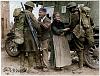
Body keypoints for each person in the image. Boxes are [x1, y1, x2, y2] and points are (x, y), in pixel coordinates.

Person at [13, 1, 41, 73]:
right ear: (30, 8)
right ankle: (30, 68)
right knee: (30, 51)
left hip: (20, 34)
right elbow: (36, 25)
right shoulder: (29, 13)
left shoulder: (21, 13)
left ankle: (21, 67)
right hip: (29, 34)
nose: (32, 9)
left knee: (22, 51)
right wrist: (39, 31)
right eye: (32, 8)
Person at [67, 2, 94, 69]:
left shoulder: (75, 15)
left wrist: (67, 29)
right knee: (82, 49)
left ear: (72, 8)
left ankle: (80, 67)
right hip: (85, 33)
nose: (69, 10)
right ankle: (83, 63)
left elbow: (72, 26)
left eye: (70, 9)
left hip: (78, 34)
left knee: (79, 50)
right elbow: (92, 22)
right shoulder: (84, 14)